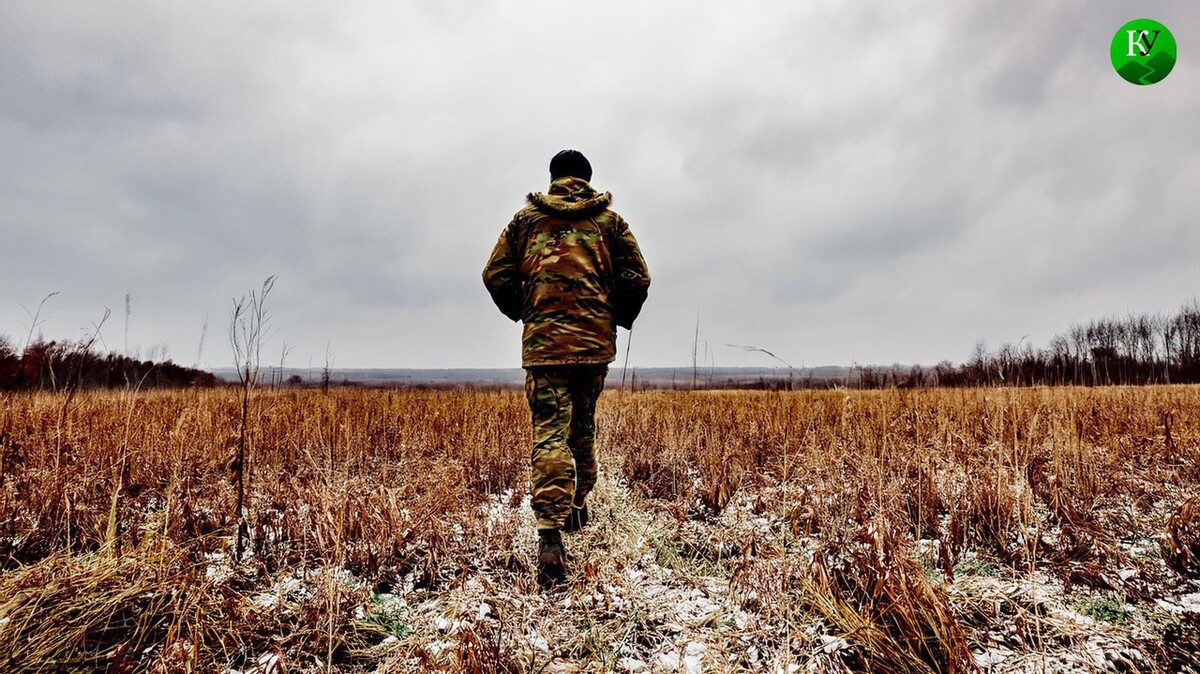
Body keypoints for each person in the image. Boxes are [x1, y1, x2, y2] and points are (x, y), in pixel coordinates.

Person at [482, 149, 650, 588]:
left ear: (554, 178)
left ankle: (551, 536)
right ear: (587, 180)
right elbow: (638, 278)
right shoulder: (610, 223)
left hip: (544, 347)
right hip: (594, 347)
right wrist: (610, 315)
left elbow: (494, 274)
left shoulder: (525, 222)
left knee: (550, 434)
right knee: (583, 428)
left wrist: (528, 311)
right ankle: (577, 505)